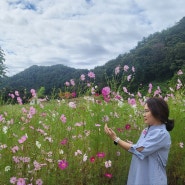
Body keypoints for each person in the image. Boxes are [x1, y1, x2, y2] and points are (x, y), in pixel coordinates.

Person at [104, 97, 174, 185]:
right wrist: (133, 145)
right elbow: (141, 148)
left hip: (152, 180)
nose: (144, 114)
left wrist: (116, 139)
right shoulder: (146, 130)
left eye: (147, 111)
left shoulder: (161, 134)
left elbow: (139, 149)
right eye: (144, 111)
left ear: (158, 112)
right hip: (140, 177)